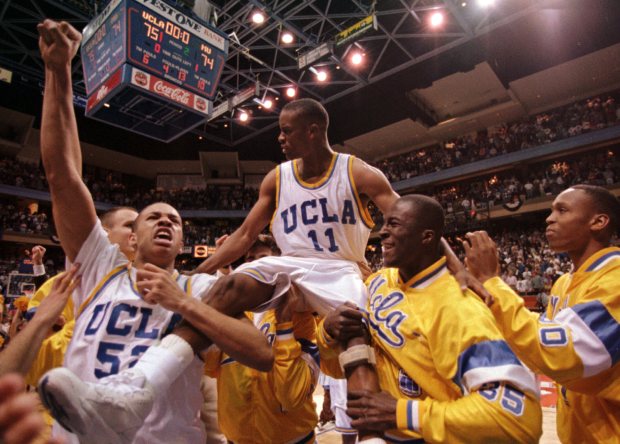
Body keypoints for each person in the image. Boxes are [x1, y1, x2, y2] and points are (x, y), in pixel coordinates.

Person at [34, 19, 272, 444]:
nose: (166, 221)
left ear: (181, 242)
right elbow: (61, 175)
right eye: (153, 217)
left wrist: (182, 301)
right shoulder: (99, 267)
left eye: (175, 221)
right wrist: (57, 72)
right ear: (130, 237)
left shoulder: (199, 286)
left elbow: (261, 353)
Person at [319, 195, 542, 443]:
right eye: (384, 224)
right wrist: (327, 331)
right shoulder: (378, 281)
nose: (382, 232)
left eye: (394, 224)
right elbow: (334, 368)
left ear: (426, 237)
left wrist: (404, 413)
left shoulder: (460, 307)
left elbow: (516, 419)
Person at [463, 185, 620, 443]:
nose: (549, 218)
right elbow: (536, 357)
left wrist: (492, 281)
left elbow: (558, 354)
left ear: (599, 222)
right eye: (551, 210)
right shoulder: (563, 283)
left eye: (562, 210)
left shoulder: (615, 279)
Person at [203, 235, 320, 443]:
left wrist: (284, 325)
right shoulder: (234, 313)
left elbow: (292, 395)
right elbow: (210, 367)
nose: (256, 263)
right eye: (250, 259)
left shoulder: (300, 316)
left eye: (263, 257)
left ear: (278, 264)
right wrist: (222, 279)